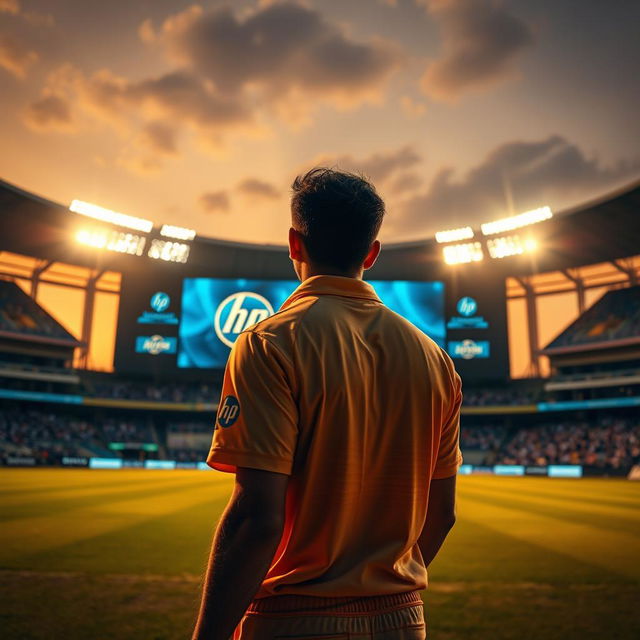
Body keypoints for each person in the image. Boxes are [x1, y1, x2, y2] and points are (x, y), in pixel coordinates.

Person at [192, 168, 463, 640]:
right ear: (372, 253)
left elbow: (258, 519)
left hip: (293, 621)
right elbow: (443, 514)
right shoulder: (435, 359)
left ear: (295, 243)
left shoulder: (268, 343)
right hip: (404, 620)